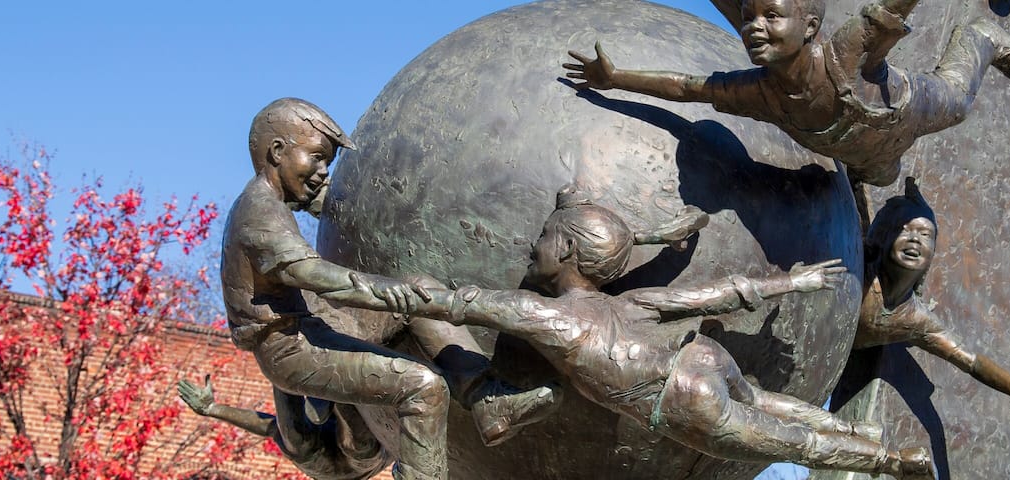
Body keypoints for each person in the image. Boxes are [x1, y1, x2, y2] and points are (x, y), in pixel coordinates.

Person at [323, 187, 936, 479]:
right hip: (701, 357)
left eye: (544, 238)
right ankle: (859, 432)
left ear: (567, 251)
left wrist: (354, 288)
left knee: (788, 441)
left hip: (681, 400)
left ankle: (891, 460)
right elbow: (715, 295)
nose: (532, 246)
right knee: (776, 405)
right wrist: (793, 283)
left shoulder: (551, 317)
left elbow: (457, 303)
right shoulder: (632, 300)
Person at [222, 98, 556, 479]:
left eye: (326, 163)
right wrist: (381, 290)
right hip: (293, 349)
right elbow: (315, 275)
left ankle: (485, 397)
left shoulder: (272, 205)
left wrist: (333, 205)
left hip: (323, 328)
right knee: (423, 388)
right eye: (315, 158)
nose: (322, 172)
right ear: (278, 151)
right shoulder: (259, 213)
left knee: (418, 291)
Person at [563, 0, 1010, 188]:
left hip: (910, 111)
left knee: (959, 104)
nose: (754, 27)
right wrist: (615, 77)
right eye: (748, 18)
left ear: (809, 26)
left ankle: (980, 38)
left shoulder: (845, 51)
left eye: (771, 16)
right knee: (881, 178)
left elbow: (893, 5)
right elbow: (686, 88)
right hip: (870, 155)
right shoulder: (756, 92)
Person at [853, 179, 1010, 425]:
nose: (915, 239)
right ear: (884, 236)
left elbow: (971, 361)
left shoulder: (915, 319)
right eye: (905, 230)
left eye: (925, 234)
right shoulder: (857, 273)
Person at [178, 377, 392, 480]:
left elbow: (271, 427)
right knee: (361, 449)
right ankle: (336, 393)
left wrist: (213, 408)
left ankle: (282, 366)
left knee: (296, 440)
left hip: (325, 463)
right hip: (363, 457)